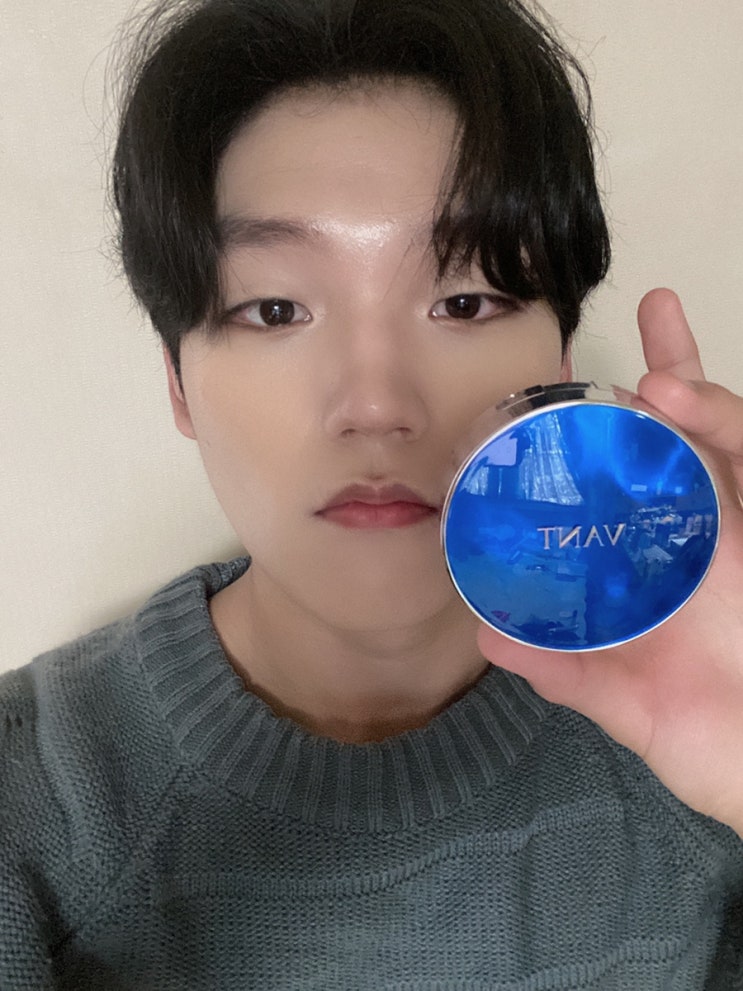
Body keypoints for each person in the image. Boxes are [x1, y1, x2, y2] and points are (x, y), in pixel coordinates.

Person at [2, 0, 742, 987]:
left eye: (464, 300)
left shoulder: (700, 724)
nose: (377, 405)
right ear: (177, 381)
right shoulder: (30, 800)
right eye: (275, 308)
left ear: (560, 365)